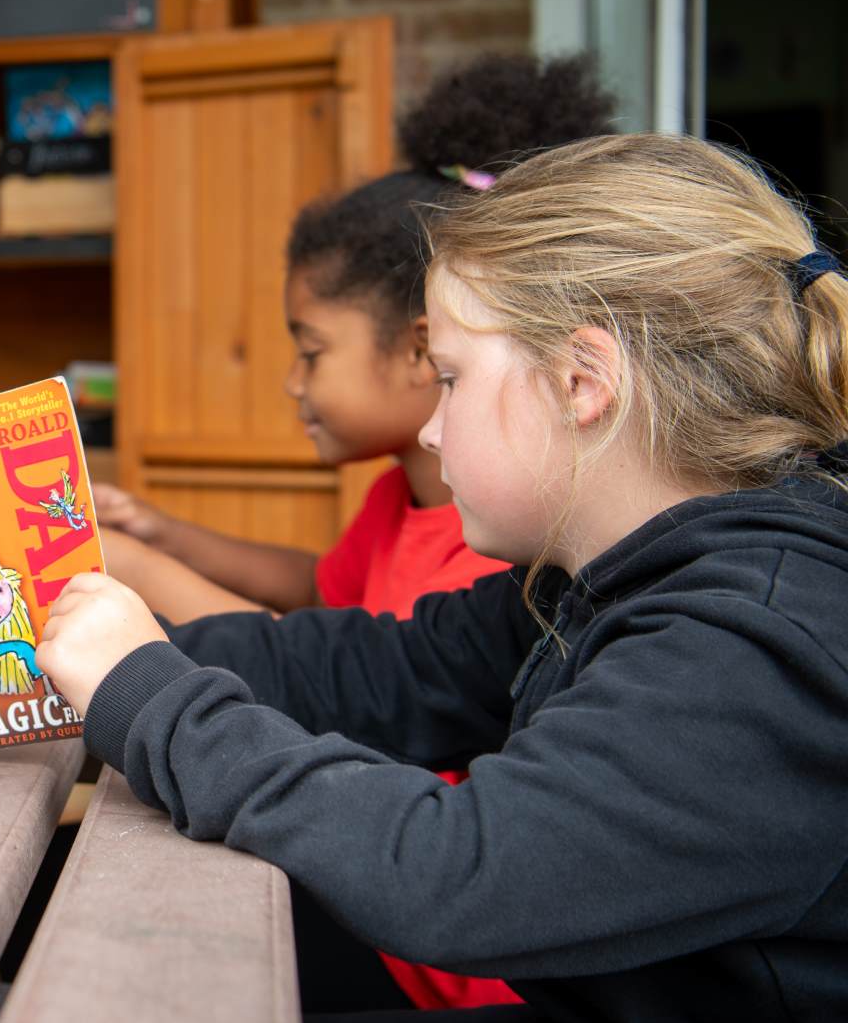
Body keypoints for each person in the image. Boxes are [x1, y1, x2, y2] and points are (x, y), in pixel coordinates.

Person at [40, 132, 848, 1023]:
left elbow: (458, 873)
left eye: (454, 377)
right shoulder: (605, 580)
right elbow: (374, 670)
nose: (430, 423)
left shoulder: (754, 643)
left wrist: (153, 699)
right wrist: (69, 649)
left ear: (583, 383)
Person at [95, 55, 617, 623]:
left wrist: (134, 568)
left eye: (312, 352)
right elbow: (321, 594)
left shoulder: (500, 538)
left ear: (422, 351)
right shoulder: (396, 497)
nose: (293, 382)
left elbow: (336, 670)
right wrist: (158, 534)